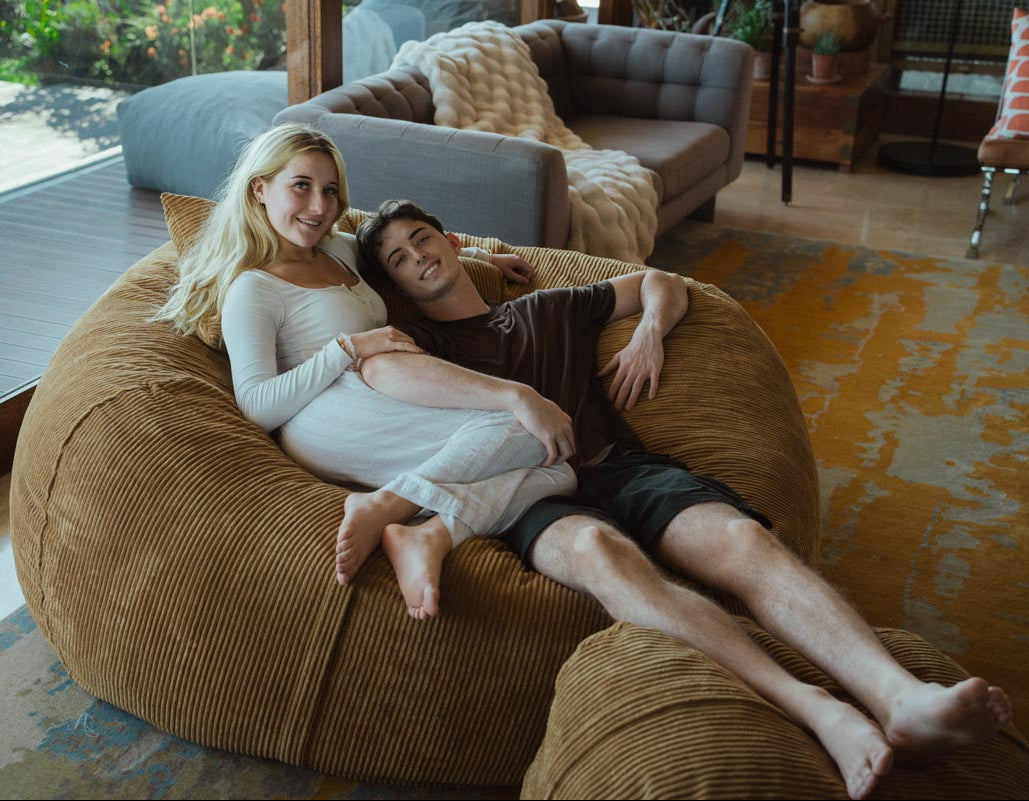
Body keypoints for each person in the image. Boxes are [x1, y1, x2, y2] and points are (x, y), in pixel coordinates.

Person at [353, 199, 1014, 801]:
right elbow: (377, 369)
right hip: (525, 497)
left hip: (621, 467)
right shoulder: (422, 346)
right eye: (399, 259)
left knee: (741, 539)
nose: (419, 258)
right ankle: (818, 709)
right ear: (394, 284)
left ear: (451, 237)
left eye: (422, 238)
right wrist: (514, 398)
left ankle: (899, 697)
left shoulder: (544, 308)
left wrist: (649, 334)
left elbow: (659, 283)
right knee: (598, 553)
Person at [152, 123, 581, 621]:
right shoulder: (255, 289)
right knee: (525, 426)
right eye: (301, 186)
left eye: (330, 191)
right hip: (323, 416)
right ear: (259, 188)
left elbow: (398, 251)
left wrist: (481, 258)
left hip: (381, 395)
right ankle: (383, 507)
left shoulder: (334, 248)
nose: (319, 207)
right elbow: (256, 406)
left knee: (561, 469)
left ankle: (428, 532)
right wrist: (347, 348)